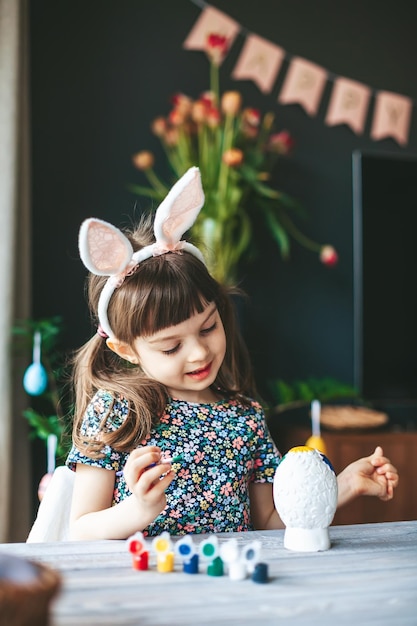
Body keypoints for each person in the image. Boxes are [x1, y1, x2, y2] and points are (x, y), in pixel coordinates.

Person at [67, 166, 399, 541]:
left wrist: (342, 487)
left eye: (208, 327)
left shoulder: (246, 416)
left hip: (233, 584)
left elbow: (270, 525)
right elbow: (79, 531)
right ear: (126, 350)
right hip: (151, 587)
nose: (198, 353)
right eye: (172, 346)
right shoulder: (117, 411)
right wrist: (137, 510)